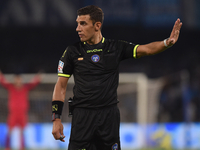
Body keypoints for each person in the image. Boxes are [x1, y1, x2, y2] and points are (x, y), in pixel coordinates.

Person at [51, 5, 182, 150]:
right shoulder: (72, 52)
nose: (78, 28)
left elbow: (146, 49)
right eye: (77, 23)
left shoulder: (115, 48)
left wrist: (166, 43)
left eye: (83, 23)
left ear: (97, 25)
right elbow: (60, 86)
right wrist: (56, 119)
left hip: (109, 117)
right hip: (82, 116)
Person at [0, 71, 41, 150]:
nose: (18, 81)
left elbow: (33, 83)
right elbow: (3, 81)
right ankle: (7, 147)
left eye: (19, 80)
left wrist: (38, 78)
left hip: (22, 114)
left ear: (21, 80)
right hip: (13, 114)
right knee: (10, 131)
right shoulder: (11, 87)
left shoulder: (25, 88)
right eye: (17, 80)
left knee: (22, 131)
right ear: (14, 80)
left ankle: (22, 147)